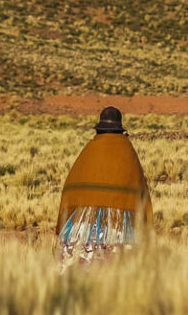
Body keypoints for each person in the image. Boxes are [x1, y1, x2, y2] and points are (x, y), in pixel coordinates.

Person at [55, 107, 153, 266]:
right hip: (120, 222)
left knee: (77, 261)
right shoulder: (127, 150)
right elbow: (139, 189)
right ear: (120, 130)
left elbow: (72, 187)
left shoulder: (90, 148)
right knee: (121, 264)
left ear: (99, 129)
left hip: (83, 220)